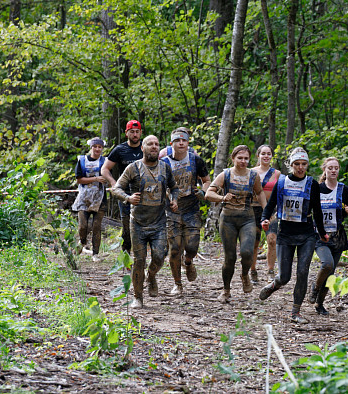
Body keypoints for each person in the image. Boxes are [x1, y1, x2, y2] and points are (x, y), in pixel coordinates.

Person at [258, 148, 329, 324]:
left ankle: (295, 312)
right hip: (286, 233)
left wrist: (322, 233)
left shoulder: (312, 184)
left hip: (307, 234)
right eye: (297, 164)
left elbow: (317, 211)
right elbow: (271, 204)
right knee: (285, 276)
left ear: (307, 165)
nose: (300, 168)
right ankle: (275, 284)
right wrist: (264, 219)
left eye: (303, 164)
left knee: (303, 272)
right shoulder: (281, 182)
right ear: (291, 165)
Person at [111, 135, 179, 309]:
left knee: (159, 255)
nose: (154, 147)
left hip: (159, 222)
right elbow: (116, 188)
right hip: (138, 223)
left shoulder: (165, 168)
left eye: (157, 144)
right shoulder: (133, 168)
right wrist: (128, 197)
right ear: (143, 147)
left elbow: (174, 187)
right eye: (150, 144)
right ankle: (138, 297)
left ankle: (151, 276)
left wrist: (174, 199)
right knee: (139, 260)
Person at [206, 145, 267, 302]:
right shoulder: (225, 174)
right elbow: (209, 193)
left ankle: (245, 274)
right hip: (228, 220)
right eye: (240, 158)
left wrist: (266, 212)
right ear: (233, 159)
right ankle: (226, 290)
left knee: (247, 252)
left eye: (246, 158)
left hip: (247, 218)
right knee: (230, 257)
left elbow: (259, 193)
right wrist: (222, 198)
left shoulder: (253, 176)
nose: (243, 161)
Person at [161, 127, 211, 295]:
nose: (181, 143)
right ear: (171, 144)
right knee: (174, 248)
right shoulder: (164, 163)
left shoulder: (196, 160)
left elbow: (206, 180)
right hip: (172, 209)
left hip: (191, 207)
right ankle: (177, 284)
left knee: (192, 246)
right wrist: (168, 199)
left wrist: (204, 192)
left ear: (188, 143)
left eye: (183, 140)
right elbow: (161, 186)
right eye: (177, 140)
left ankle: (188, 261)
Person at [308, 157, 348, 315]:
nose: (333, 170)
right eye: (330, 168)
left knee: (331, 275)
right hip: (320, 235)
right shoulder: (316, 188)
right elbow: (307, 210)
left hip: (337, 237)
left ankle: (319, 304)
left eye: (336, 168)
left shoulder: (344, 190)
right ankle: (315, 288)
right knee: (327, 264)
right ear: (324, 169)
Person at [102, 120, 143, 254]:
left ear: (141, 133)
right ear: (127, 133)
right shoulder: (120, 150)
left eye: (137, 132)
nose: (135, 134)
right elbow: (105, 169)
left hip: (145, 193)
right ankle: (126, 255)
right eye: (132, 132)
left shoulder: (146, 147)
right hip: (125, 194)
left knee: (146, 225)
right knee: (127, 226)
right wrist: (114, 184)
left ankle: (141, 257)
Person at [72, 137, 109, 262]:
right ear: (91, 147)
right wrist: (95, 179)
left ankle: (95, 254)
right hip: (84, 198)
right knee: (83, 226)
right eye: (95, 146)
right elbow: (78, 179)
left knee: (97, 226)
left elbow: (108, 176)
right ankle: (82, 245)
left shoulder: (105, 161)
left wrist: (106, 180)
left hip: (100, 198)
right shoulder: (81, 160)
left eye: (100, 147)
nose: (97, 149)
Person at [250, 145, 281, 283]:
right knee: (254, 242)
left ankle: (270, 270)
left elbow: (281, 192)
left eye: (269, 154)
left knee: (272, 239)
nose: (266, 156)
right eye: (263, 154)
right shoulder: (250, 172)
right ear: (258, 156)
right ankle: (252, 270)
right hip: (253, 209)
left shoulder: (277, 174)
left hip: (271, 210)